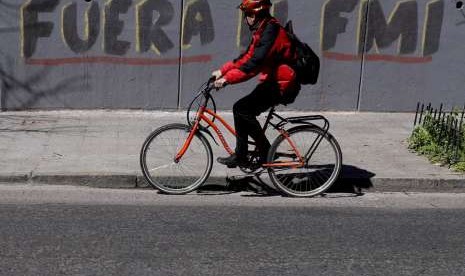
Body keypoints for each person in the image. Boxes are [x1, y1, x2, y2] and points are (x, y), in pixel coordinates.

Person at [212, 0, 300, 168]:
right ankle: (245, 153)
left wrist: (226, 80)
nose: (246, 19)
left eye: (248, 15)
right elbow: (247, 57)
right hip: (273, 80)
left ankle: (260, 152)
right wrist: (223, 70)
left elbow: (253, 65)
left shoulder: (271, 31)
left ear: (257, 14)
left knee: (242, 109)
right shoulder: (263, 30)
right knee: (241, 109)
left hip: (282, 85)